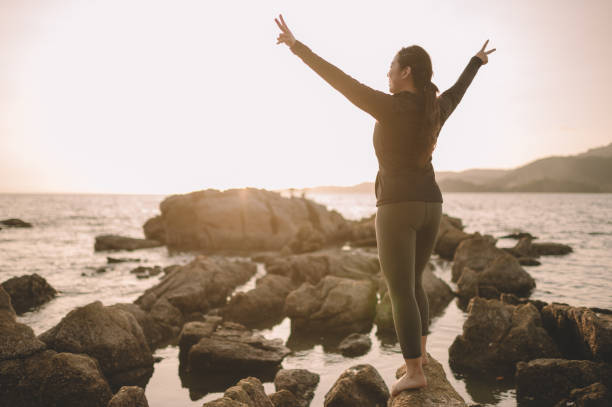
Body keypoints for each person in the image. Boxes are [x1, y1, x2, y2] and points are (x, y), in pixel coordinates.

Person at [274, 13, 495, 398]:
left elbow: (338, 79)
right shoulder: (433, 108)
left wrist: (297, 48)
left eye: (391, 68)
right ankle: (422, 358)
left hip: (397, 207)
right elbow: (458, 91)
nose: (387, 74)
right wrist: (475, 62)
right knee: (414, 283)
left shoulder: (391, 106)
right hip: (432, 205)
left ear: (406, 71)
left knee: (399, 290)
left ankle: (414, 372)